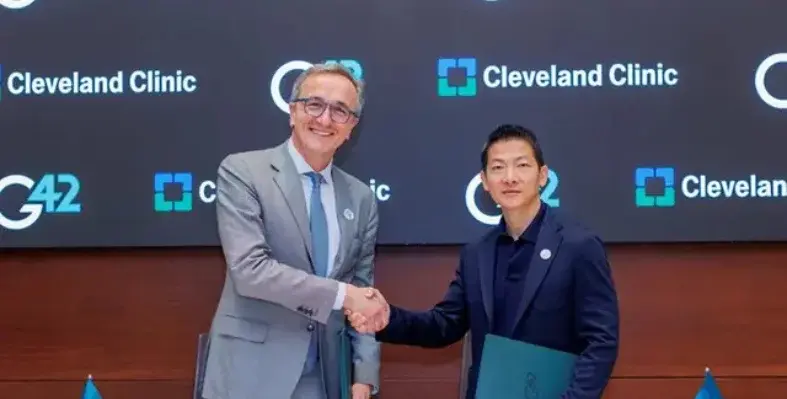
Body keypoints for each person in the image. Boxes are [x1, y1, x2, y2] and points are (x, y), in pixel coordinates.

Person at [347, 124, 620, 399]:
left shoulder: (578, 245)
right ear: (485, 182)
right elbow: (445, 325)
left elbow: (601, 341)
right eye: (498, 167)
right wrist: (388, 319)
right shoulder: (477, 253)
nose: (510, 178)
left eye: (522, 165)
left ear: (543, 176)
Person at [202, 62, 386, 399]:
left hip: (325, 377)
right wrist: (344, 295)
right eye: (314, 104)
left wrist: (364, 375)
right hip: (251, 373)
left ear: (352, 126)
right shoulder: (243, 171)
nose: (325, 119)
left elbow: (362, 287)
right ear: (292, 111)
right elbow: (250, 271)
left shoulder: (361, 198)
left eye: (340, 110)